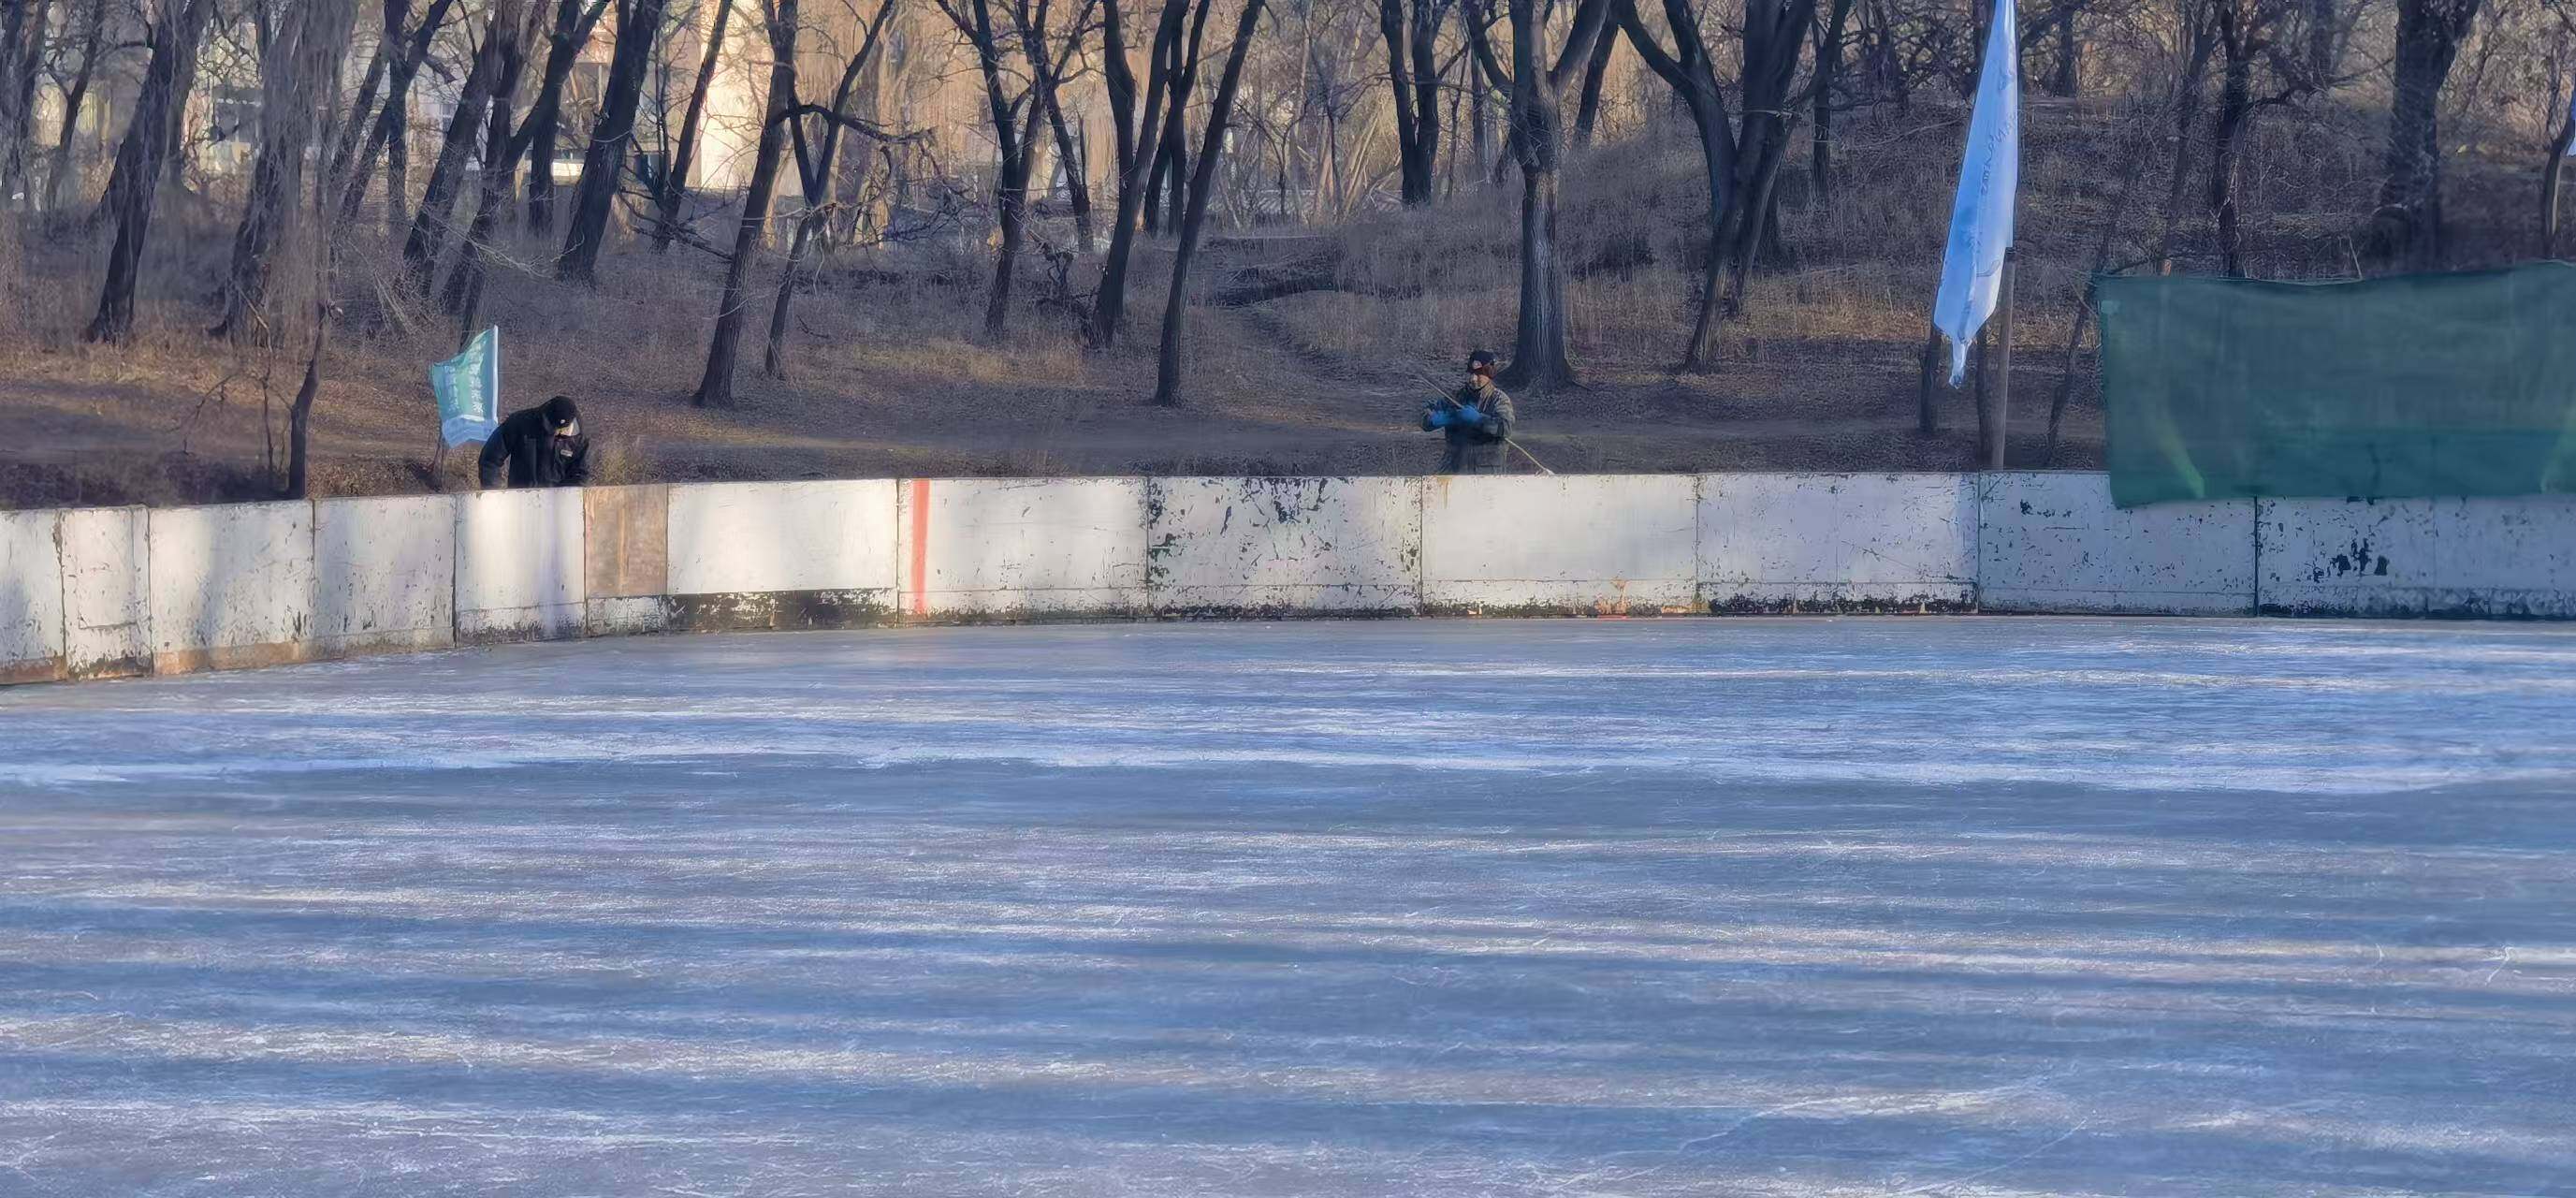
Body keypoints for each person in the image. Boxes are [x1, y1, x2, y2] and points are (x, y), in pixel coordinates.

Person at [1421, 350, 1517, 474]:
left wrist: (1479, 420)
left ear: (1489, 374)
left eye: (1478, 375)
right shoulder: (1456, 397)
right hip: (1455, 471)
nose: (1473, 379)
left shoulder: (1499, 399)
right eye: (1471, 374)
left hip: (1487, 476)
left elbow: (1506, 428)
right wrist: (1432, 420)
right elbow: (1424, 416)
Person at [477, 395, 591, 489]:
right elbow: (490, 459)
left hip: (558, 506)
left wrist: (568, 499)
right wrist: (493, 493)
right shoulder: (520, 423)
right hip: (520, 500)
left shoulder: (578, 438)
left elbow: (581, 475)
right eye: (552, 429)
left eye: (560, 431)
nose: (556, 433)